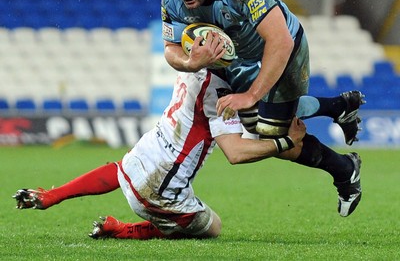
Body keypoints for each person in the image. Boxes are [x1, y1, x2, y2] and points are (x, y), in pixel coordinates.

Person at [161, 0, 362, 216]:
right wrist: (190, 62)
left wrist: (251, 95)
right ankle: (339, 108)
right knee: (258, 126)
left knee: (270, 130)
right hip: (239, 61)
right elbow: (170, 49)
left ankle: (344, 168)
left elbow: (279, 41)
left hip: (283, 49)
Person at [14, 68, 307, 240]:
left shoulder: (187, 67)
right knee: (212, 226)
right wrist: (285, 143)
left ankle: (53, 195)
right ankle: (123, 229)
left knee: (122, 167)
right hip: (160, 188)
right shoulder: (219, 91)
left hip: (147, 153)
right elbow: (236, 152)